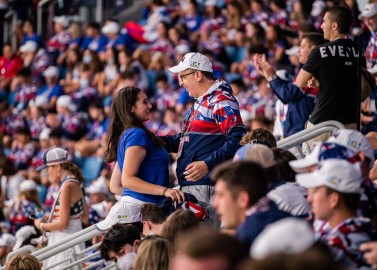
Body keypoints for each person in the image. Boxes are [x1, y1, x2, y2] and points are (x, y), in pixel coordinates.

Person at [163, 52, 245, 227]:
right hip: (196, 187)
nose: (180, 82)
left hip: (207, 186)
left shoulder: (220, 99)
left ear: (198, 75)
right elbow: (184, 140)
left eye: (183, 76)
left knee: (205, 246)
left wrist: (207, 164)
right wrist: (155, 141)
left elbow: (238, 138)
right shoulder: (202, 101)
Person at [102, 86, 184, 230]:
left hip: (135, 210)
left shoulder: (128, 135)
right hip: (137, 212)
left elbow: (115, 186)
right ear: (131, 108)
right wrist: (164, 191)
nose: (150, 106)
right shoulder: (136, 135)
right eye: (144, 102)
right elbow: (127, 180)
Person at [295, 6, 359, 149]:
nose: (321, 25)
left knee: (315, 168)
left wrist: (317, 82)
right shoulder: (358, 51)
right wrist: (322, 83)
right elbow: (355, 86)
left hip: (322, 125)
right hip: (350, 125)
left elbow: (300, 81)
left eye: (324, 21)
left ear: (335, 25)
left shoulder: (320, 51)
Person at [296, 159, 377, 269]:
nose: (309, 199)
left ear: (334, 199)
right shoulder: (355, 227)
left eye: (315, 191)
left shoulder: (342, 243)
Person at [253, 32, 326, 137]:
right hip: (299, 134)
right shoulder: (307, 72)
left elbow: (286, 94)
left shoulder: (313, 73)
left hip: (304, 135)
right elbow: (288, 91)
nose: (298, 51)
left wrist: (272, 77)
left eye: (302, 47)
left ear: (313, 49)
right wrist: (267, 75)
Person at [211, 160, 290, 247]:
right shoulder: (277, 212)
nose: (214, 203)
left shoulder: (248, 237)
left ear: (243, 199)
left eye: (221, 195)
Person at [33, 147, 87, 270]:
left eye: (48, 169)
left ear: (57, 167)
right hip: (72, 239)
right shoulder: (73, 182)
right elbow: (84, 216)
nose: (47, 173)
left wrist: (41, 225)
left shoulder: (67, 185)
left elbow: (63, 224)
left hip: (66, 243)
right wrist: (53, 216)